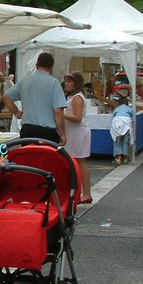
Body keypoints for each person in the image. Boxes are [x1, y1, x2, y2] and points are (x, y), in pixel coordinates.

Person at [2, 52, 67, 144]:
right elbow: (58, 111)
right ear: (51, 67)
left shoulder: (25, 81)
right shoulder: (54, 83)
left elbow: (5, 97)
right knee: (46, 157)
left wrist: (16, 112)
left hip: (27, 130)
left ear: (36, 65)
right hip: (47, 132)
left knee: (28, 157)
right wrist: (62, 134)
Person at [62, 72, 92, 203]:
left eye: (69, 81)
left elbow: (77, 118)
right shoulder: (73, 97)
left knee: (80, 161)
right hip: (73, 132)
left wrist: (61, 114)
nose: (66, 84)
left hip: (78, 133)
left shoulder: (77, 98)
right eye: (66, 81)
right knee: (75, 162)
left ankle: (86, 193)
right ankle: (79, 191)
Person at [110, 96, 134, 165]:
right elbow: (132, 120)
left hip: (117, 122)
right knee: (125, 140)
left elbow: (112, 118)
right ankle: (125, 158)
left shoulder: (116, 109)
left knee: (117, 140)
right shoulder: (130, 109)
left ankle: (118, 158)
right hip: (126, 123)